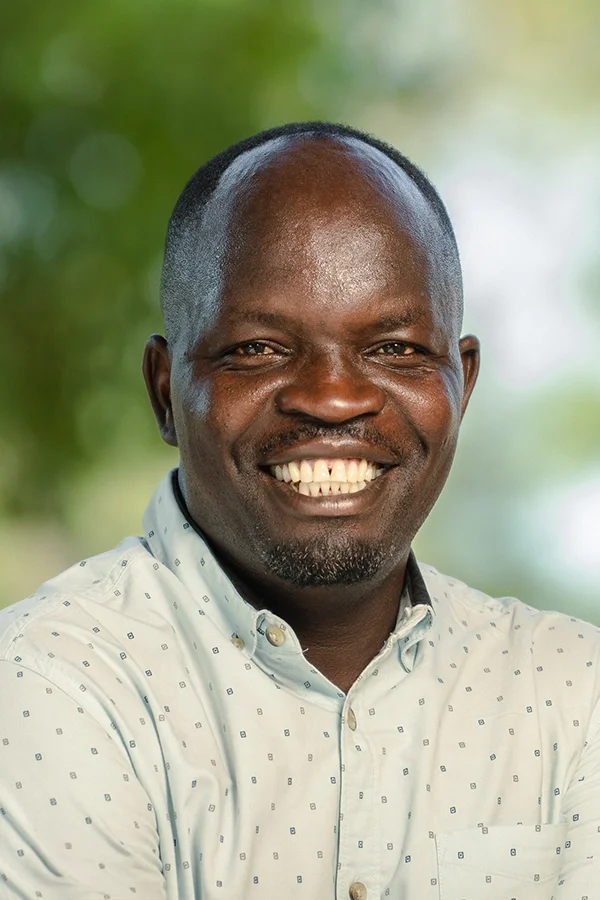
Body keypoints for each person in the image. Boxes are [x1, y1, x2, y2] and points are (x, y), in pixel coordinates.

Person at [0, 122, 597, 900]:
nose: (332, 397)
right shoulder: (48, 686)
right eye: (257, 348)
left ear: (462, 381)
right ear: (164, 392)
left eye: (395, 349)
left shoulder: (574, 694)